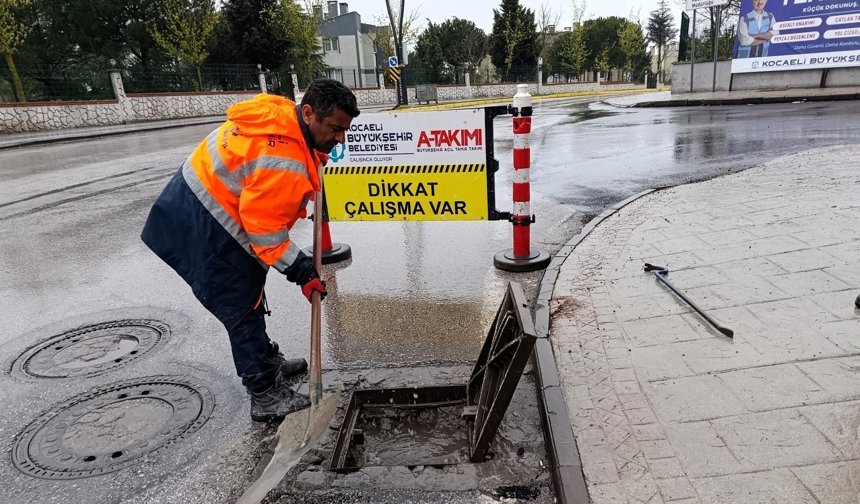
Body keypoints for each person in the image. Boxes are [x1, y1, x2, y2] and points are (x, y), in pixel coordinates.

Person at [141, 79, 359, 422]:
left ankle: (265, 360)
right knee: (241, 305)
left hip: (195, 205)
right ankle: (264, 393)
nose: (340, 138)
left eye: (345, 130)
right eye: (334, 128)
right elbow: (266, 235)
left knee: (250, 295)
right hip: (205, 224)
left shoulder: (283, 119)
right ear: (308, 113)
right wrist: (302, 271)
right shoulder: (281, 158)